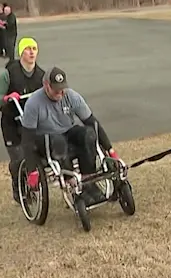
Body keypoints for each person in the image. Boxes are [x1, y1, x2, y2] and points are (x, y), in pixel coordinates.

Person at [19, 66, 121, 206]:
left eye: (62, 88)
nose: (60, 92)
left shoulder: (71, 96)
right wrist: (31, 171)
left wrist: (110, 150)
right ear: (46, 86)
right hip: (46, 139)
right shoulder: (33, 104)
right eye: (56, 89)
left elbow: (92, 121)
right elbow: (27, 139)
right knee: (58, 141)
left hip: (67, 131)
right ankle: (71, 181)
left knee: (88, 133)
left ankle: (88, 182)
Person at [0, 37, 46, 203]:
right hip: (11, 123)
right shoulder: (9, 74)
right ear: (21, 52)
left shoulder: (41, 76)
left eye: (34, 49)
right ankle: (18, 187)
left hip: (31, 122)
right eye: (28, 49)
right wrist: (7, 97)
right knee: (18, 158)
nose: (31, 52)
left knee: (39, 154)